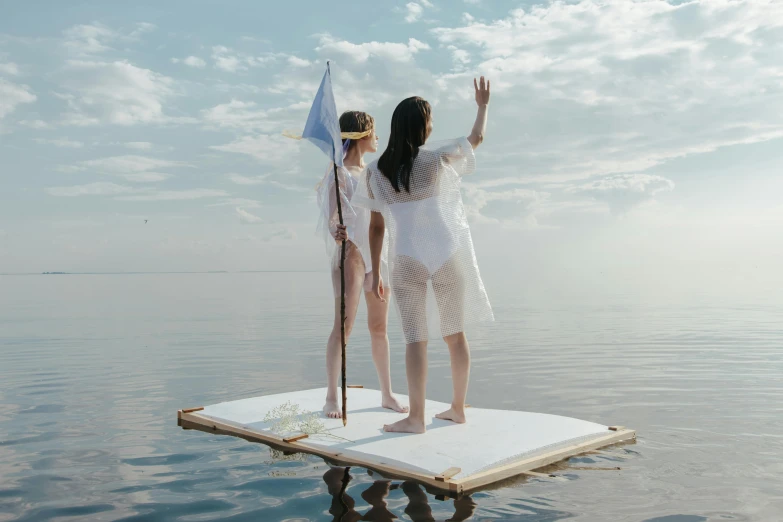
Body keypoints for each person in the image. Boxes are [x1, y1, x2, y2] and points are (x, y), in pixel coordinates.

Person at [358, 78, 494, 434]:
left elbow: (376, 228)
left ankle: (415, 417)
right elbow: (475, 140)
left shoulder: (374, 172)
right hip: (446, 252)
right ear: (423, 127)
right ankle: (458, 409)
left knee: (415, 338)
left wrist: (375, 271)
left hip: (406, 258)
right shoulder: (435, 160)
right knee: (455, 333)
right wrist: (482, 106)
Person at [316, 110, 408, 419]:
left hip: (376, 256)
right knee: (344, 326)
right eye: (374, 131)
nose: (377, 137)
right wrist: (336, 230)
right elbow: (331, 216)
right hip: (351, 255)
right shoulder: (337, 172)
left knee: (379, 327)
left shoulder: (374, 173)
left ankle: (387, 393)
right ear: (361, 135)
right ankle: (331, 396)